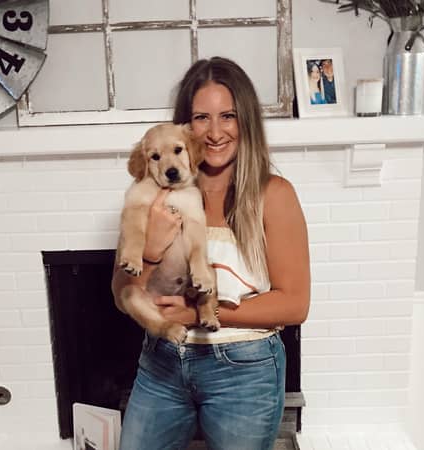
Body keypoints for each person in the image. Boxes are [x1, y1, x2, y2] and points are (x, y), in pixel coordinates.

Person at [112, 56, 310, 450]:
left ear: (245, 121)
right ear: (186, 127)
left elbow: (294, 305)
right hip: (162, 360)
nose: (215, 132)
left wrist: (196, 312)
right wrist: (150, 252)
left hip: (244, 367)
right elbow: (121, 294)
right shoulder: (157, 192)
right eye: (202, 117)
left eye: (228, 116)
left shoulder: (273, 194)